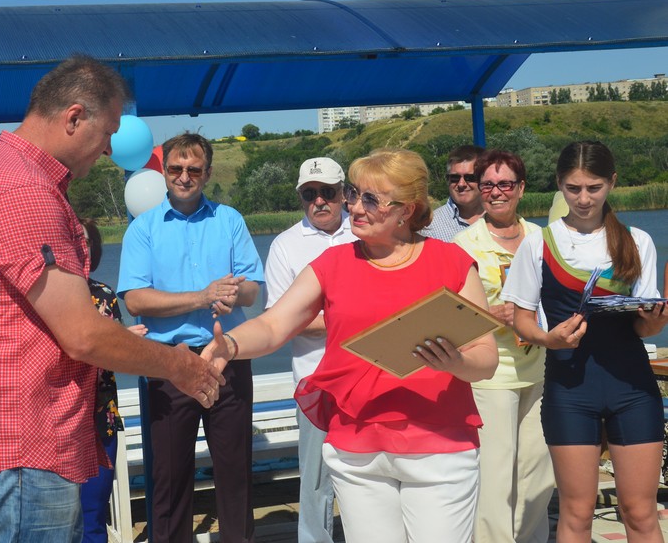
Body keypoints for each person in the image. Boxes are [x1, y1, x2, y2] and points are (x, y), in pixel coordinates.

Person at [0, 56, 224, 542]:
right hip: (26, 437)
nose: (109, 149)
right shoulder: (23, 190)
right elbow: (83, 334)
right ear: (73, 117)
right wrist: (179, 365)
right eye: (108, 132)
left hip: (12, 432)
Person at [204, 148, 499, 543]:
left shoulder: (453, 262)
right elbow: (274, 326)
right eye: (355, 194)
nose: (355, 207)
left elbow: (486, 360)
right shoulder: (332, 264)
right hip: (357, 450)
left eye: (371, 199)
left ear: (407, 209)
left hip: (440, 448)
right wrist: (230, 345)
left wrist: (454, 361)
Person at [502, 140, 668, 543]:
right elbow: (521, 320)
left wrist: (655, 320)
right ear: (559, 184)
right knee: (576, 514)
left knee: (640, 513)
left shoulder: (637, 241)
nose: (583, 198)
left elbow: (644, 329)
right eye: (573, 188)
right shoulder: (538, 243)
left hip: (633, 388)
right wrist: (549, 338)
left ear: (612, 182)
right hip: (570, 390)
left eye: (594, 188)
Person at [118, 132, 264, 543]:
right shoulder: (143, 229)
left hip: (227, 358)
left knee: (236, 475)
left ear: (208, 173)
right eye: (176, 168)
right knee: (169, 479)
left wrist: (235, 294)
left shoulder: (230, 220)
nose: (184, 177)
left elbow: (253, 289)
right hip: (168, 362)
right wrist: (203, 296)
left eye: (194, 169)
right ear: (164, 172)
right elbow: (135, 299)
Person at [452, 150, 553, 543]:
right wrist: (493, 314)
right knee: (495, 477)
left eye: (505, 184)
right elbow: (452, 318)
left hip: (542, 368)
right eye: (488, 185)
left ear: (521, 188)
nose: (496, 192)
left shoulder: (543, 238)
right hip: (491, 374)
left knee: (538, 474)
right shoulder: (464, 245)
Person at [264, 157, 357, 543]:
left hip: (370, 377)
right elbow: (279, 319)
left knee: (369, 476)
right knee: (316, 482)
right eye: (309, 193)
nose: (319, 201)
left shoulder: (366, 232)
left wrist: (322, 317)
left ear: (344, 193)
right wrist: (354, 320)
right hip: (314, 383)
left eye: (328, 192)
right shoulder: (284, 245)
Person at [79, 218, 147, 542]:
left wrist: (126, 344)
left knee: (93, 513)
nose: (80, 248)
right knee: (59, 518)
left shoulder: (104, 295)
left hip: (101, 416)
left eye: (86, 242)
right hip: (57, 421)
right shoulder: (44, 298)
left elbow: (117, 354)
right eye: (72, 241)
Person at [420, 145, 485, 242]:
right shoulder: (429, 227)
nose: (461, 184)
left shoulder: (501, 218)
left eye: (469, 178)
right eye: (455, 178)